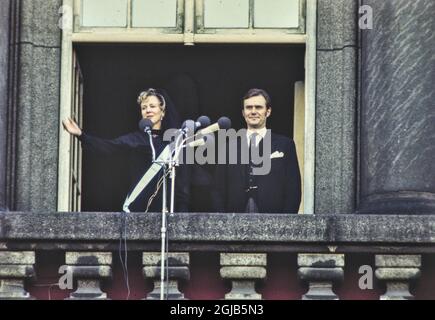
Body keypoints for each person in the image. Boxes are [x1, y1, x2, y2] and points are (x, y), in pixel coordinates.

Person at [62, 88, 190, 212]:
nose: (148, 110)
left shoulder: (174, 142)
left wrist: (181, 214)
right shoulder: (135, 139)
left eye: (152, 106)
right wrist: (81, 135)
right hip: (138, 207)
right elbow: (108, 147)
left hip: (165, 208)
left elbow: (182, 182)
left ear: (162, 112)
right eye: (144, 108)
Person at [213, 88, 301, 213]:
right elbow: (218, 190)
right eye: (249, 107)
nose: (253, 111)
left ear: (268, 111)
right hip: (234, 220)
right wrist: (222, 222)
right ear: (243, 113)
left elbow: (293, 189)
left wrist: (286, 225)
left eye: (258, 107)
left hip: (274, 220)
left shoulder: (285, 145)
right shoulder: (228, 147)